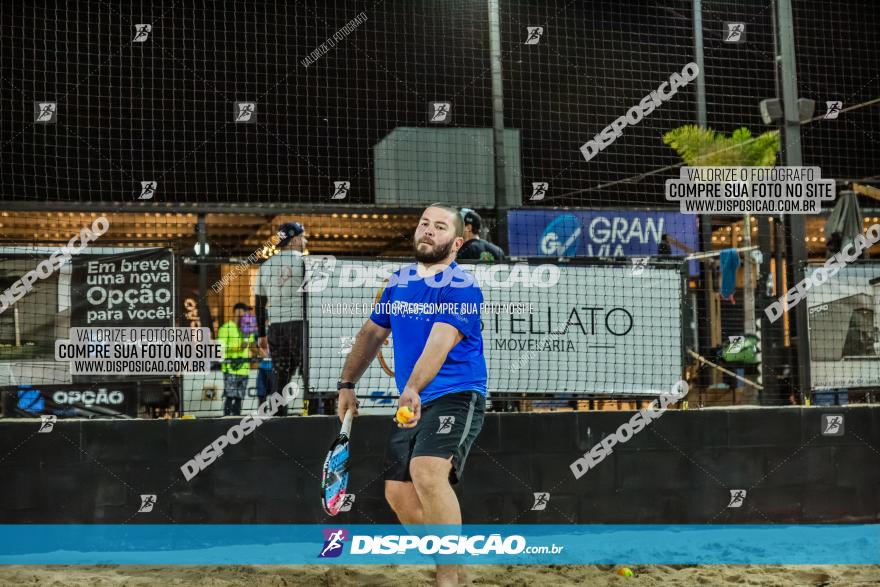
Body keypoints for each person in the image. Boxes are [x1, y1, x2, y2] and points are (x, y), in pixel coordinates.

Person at [336, 203, 487, 587]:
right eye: (424, 224)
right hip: (413, 398)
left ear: (456, 243)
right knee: (399, 495)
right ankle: (456, 566)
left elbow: (439, 344)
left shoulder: (462, 286)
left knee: (427, 472)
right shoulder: (399, 280)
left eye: (439, 227)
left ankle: (448, 579)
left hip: (456, 393)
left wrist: (412, 388)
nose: (428, 231)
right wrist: (347, 384)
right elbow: (371, 334)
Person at [255, 222, 307, 417]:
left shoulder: (265, 266)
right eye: (303, 237)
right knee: (308, 374)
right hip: (300, 326)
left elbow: (259, 303)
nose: (305, 241)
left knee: (281, 375)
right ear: (294, 239)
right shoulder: (304, 263)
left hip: (275, 328)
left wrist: (262, 334)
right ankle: (315, 415)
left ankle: (278, 420)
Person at [217, 302, 255, 416]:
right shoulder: (226, 328)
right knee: (230, 397)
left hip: (244, 369)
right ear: (237, 313)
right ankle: (225, 421)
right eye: (244, 313)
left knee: (239, 399)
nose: (246, 315)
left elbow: (251, 345)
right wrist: (238, 347)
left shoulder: (248, 329)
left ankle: (236, 420)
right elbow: (220, 349)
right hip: (230, 369)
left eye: (247, 313)